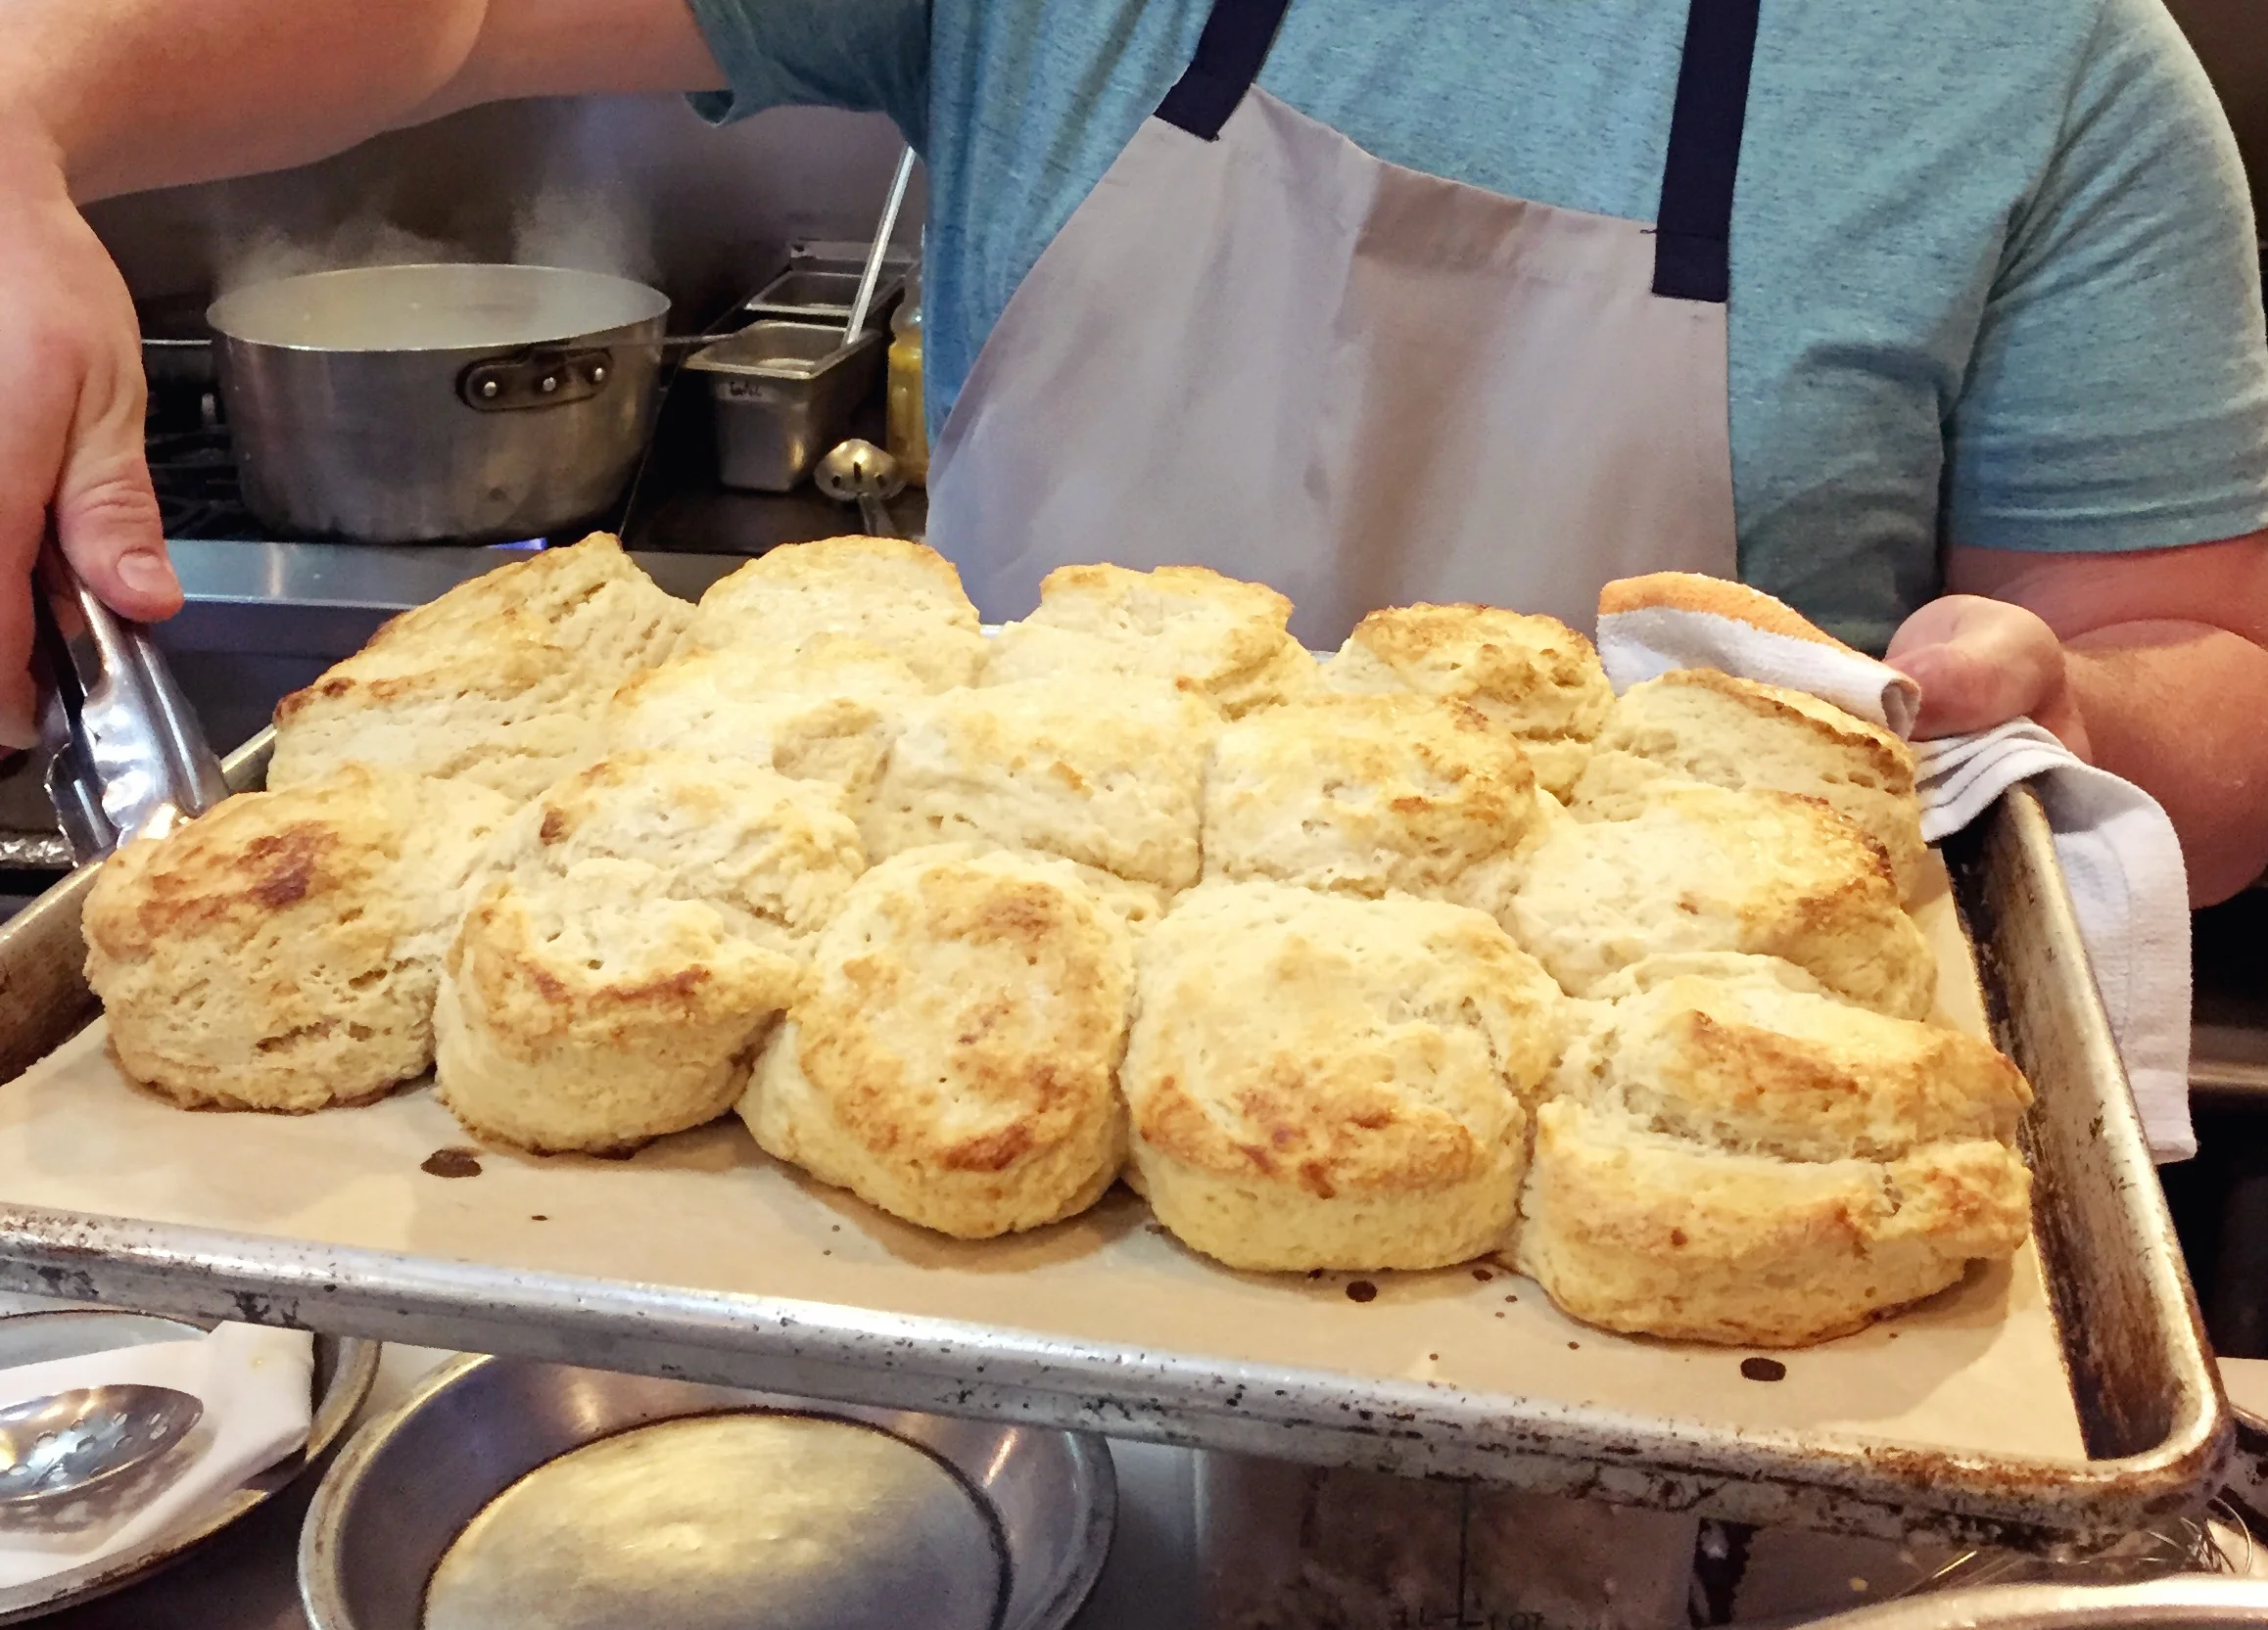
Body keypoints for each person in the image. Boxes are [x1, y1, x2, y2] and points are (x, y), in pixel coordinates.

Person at [4, 0, 2267, 899]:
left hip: (1649, 1264)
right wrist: (19, 108)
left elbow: (2209, 671)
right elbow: (439, 14)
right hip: (950, 1088)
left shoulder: (2043, 70)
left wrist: (2065, 719)